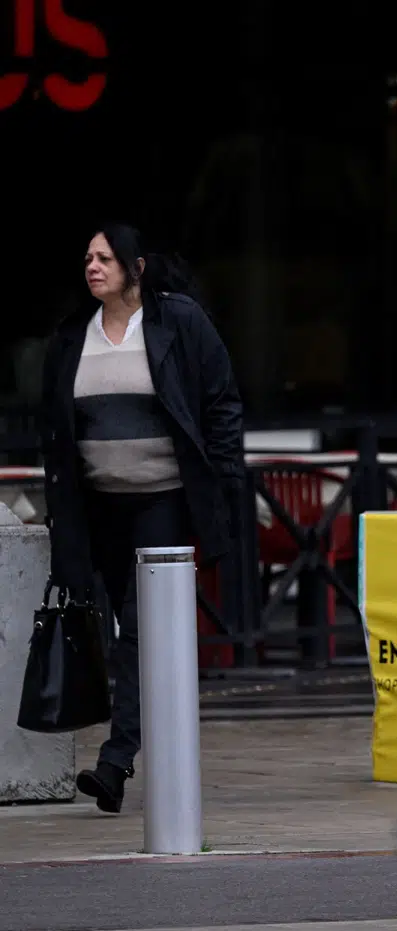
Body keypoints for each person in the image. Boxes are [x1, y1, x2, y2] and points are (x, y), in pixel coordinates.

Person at [41, 223, 244, 814]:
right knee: (107, 629)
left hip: (164, 499)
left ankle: (115, 759)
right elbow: (55, 429)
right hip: (96, 505)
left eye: (105, 257)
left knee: (137, 629)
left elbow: (222, 402)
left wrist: (224, 479)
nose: (93, 266)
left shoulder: (177, 321)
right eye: (87, 258)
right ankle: (128, 741)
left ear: (136, 267)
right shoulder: (72, 336)